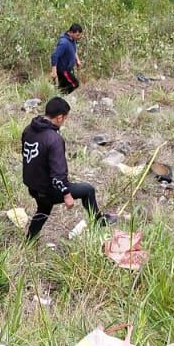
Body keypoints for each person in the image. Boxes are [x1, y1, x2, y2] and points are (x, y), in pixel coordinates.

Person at [20, 96, 108, 241]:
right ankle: (100, 223)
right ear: (60, 118)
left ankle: (29, 239)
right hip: (47, 189)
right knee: (88, 190)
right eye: (65, 118)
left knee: (43, 209)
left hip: (33, 186)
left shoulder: (28, 129)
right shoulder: (54, 139)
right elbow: (58, 173)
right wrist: (66, 194)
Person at [51, 22, 84, 94]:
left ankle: (61, 98)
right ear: (71, 32)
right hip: (63, 70)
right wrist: (54, 71)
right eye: (77, 35)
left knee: (63, 87)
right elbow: (54, 55)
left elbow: (74, 50)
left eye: (79, 35)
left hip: (68, 69)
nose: (79, 37)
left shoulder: (72, 39)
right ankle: (64, 97)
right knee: (75, 84)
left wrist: (77, 60)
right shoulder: (63, 43)